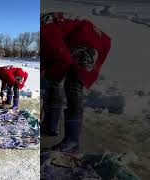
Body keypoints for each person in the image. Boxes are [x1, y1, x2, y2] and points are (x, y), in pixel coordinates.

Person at [41, 12, 111, 153]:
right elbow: (52, 55)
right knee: (53, 81)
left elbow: (63, 58)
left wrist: (51, 74)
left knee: (73, 86)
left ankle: (72, 141)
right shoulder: (43, 29)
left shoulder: (45, 31)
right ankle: (49, 126)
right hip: (75, 42)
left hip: (91, 45)